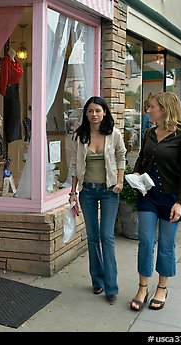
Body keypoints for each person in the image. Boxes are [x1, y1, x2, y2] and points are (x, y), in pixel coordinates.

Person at [129, 92, 181, 312]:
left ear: (164, 109)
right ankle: (143, 287)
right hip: (148, 195)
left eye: (152, 107)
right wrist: (136, 173)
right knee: (146, 241)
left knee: (166, 245)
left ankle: (162, 288)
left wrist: (179, 201)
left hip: (170, 199)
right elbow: (142, 159)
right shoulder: (149, 133)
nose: (148, 111)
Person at [68, 96, 126, 304]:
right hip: (88, 192)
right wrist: (73, 191)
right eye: (90, 110)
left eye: (98, 110)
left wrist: (119, 181)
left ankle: (111, 286)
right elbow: (75, 164)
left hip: (109, 190)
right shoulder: (80, 136)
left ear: (105, 113)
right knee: (92, 237)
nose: (94, 114)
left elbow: (121, 156)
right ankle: (97, 280)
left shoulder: (114, 134)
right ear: (86, 113)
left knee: (106, 237)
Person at [0, 48, 23, 146]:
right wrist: (3, 90)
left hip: (15, 89)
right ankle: (10, 135)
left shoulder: (15, 62)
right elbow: (4, 76)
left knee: (16, 114)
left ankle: (12, 135)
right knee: (12, 113)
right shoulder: (6, 61)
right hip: (10, 89)